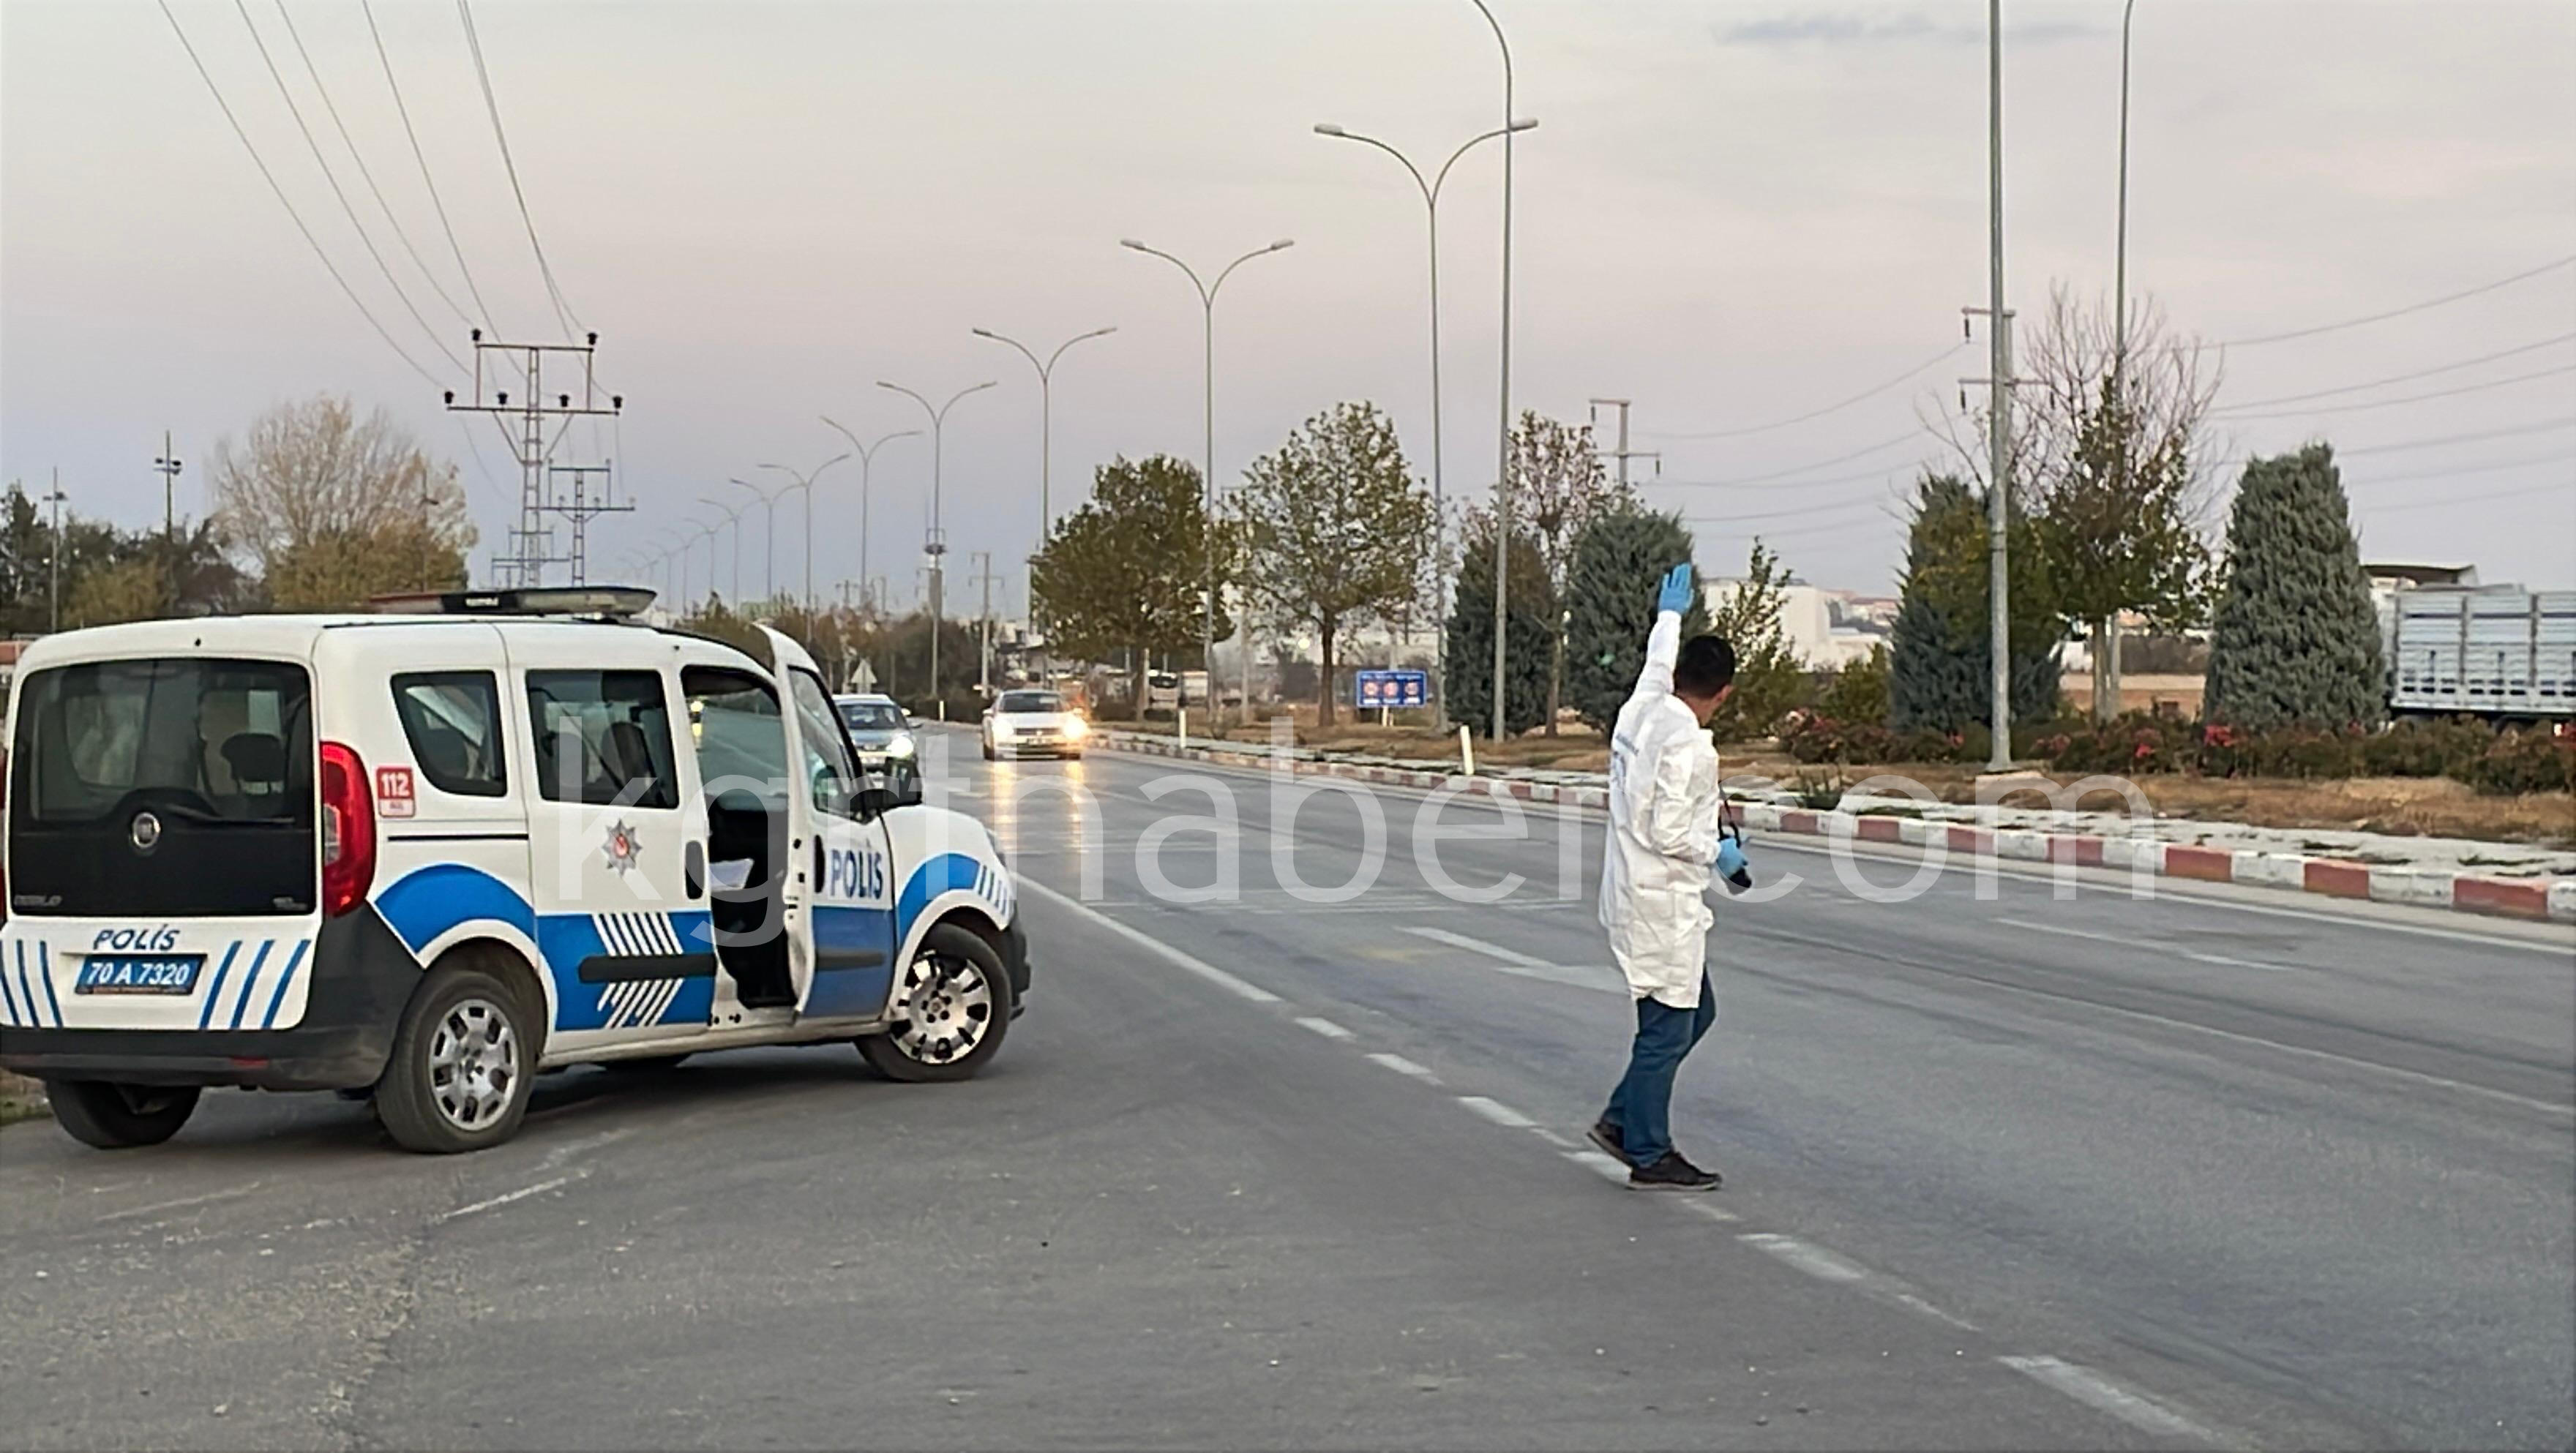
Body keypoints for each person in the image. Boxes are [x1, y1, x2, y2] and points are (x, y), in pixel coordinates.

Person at [1590, 563, 1737, 1191]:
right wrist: (1719, 852)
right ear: (1725, 693)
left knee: (1695, 1014)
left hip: (1632, 890)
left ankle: (1623, 1118)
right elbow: (1671, 833)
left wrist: (1669, 616)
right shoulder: (1690, 746)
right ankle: (1648, 1151)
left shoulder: (1642, 710)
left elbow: (1654, 665)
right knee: (1666, 1029)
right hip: (1661, 904)